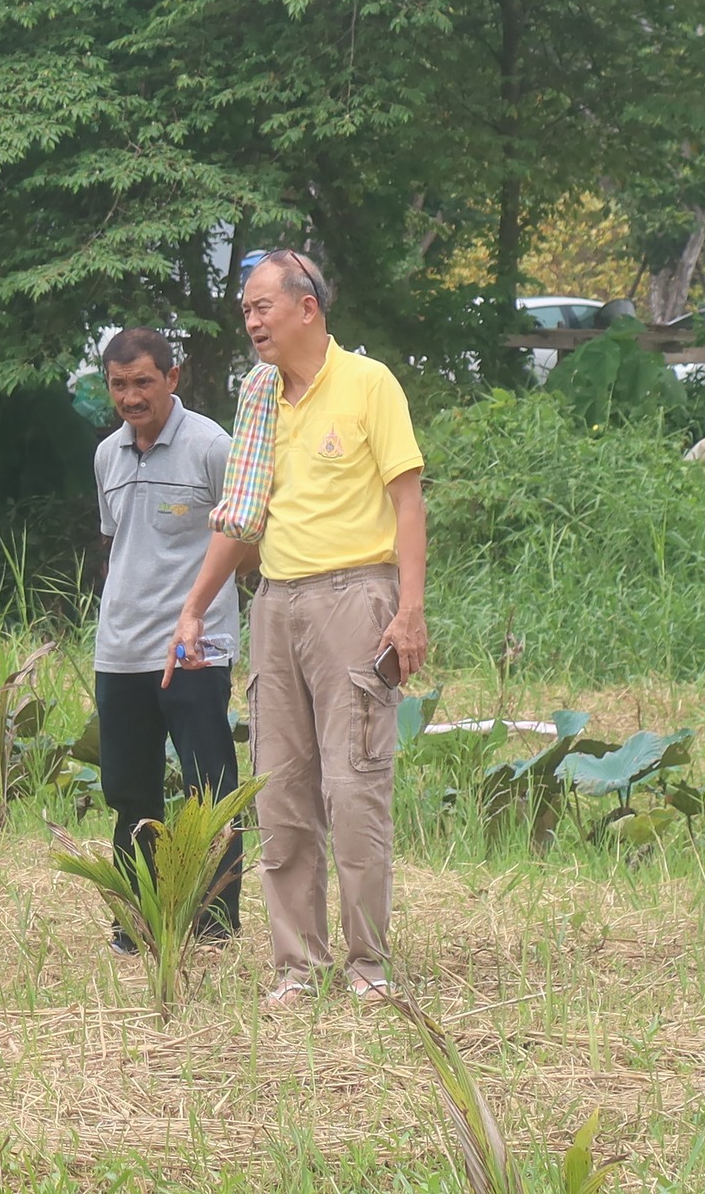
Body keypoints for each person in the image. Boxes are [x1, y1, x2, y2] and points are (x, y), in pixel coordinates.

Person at [167, 251, 426, 1008]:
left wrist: (409, 610)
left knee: (355, 787)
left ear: (306, 307)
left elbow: (408, 502)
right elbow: (244, 520)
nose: (251, 322)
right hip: (275, 603)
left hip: (356, 598)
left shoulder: (369, 384)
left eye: (262, 307)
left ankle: (368, 964)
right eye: (245, 310)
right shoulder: (259, 400)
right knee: (281, 792)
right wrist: (195, 605)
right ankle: (297, 967)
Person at [92, 327, 241, 957]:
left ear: (172, 378)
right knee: (130, 793)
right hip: (120, 651)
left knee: (209, 791)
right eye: (119, 384)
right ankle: (138, 924)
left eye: (143, 382)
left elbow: (246, 538)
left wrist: (200, 613)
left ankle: (214, 929)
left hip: (194, 652)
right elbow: (119, 544)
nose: (131, 397)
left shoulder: (212, 446)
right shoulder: (107, 455)